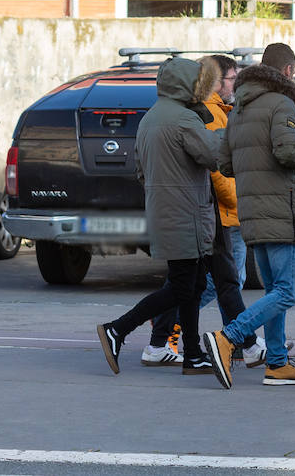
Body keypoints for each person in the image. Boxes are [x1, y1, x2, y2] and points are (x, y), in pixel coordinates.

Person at [97, 57, 226, 376]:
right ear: (189, 85)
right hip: (187, 213)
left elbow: (139, 170)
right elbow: (213, 156)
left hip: (164, 209)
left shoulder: (150, 118)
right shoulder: (184, 119)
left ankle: (193, 354)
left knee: (192, 285)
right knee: (184, 287)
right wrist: (224, 133)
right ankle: (118, 329)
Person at [202, 42, 295, 388]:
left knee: (273, 290)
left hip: (251, 211)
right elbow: (287, 150)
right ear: (287, 71)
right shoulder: (282, 103)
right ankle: (228, 337)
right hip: (282, 209)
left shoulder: (237, 108)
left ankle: (277, 362)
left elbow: (224, 162)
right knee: (286, 292)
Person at [141, 56, 265, 368]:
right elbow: (216, 164)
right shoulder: (196, 115)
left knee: (207, 282)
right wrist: (240, 200)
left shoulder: (165, 116)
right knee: (206, 283)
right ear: (213, 82)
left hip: (196, 212)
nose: (234, 85)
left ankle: (215, 344)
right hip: (208, 213)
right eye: (230, 79)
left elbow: (142, 169)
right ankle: (154, 334)